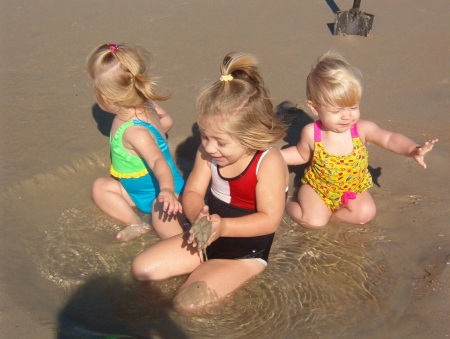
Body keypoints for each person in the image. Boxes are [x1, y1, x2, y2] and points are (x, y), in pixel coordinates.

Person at [132, 52, 289, 314]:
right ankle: (205, 274)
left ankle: (223, 282)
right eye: (205, 136)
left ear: (251, 135)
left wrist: (223, 226)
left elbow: (269, 220)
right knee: (142, 270)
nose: (209, 147)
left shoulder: (268, 161)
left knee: (186, 305)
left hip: (244, 253)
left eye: (221, 141)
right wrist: (198, 217)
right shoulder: (209, 151)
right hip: (206, 236)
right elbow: (192, 192)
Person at [281, 52, 438, 229]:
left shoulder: (361, 129)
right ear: (314, 108)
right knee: (314, 222)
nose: (346, 116)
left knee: (365, 214)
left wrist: (412, 149)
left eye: (353, 107)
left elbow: (388, 138)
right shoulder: (312, 133)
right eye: (336, 111)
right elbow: (301, 155)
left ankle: (331, 216)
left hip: (352, 189)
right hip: (318, 189)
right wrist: (273, 156)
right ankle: (285, 203)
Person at [86, 43, 185, 242]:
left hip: (163, 195)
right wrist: (156, 137)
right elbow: (167, 121)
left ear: (105, 99)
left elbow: (159, 162)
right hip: (135, 191)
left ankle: (178, 241)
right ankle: (136, 222)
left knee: (163, 223)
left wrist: (167, 192)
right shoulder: (147, 105)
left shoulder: (134, 132)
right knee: (100, 187)